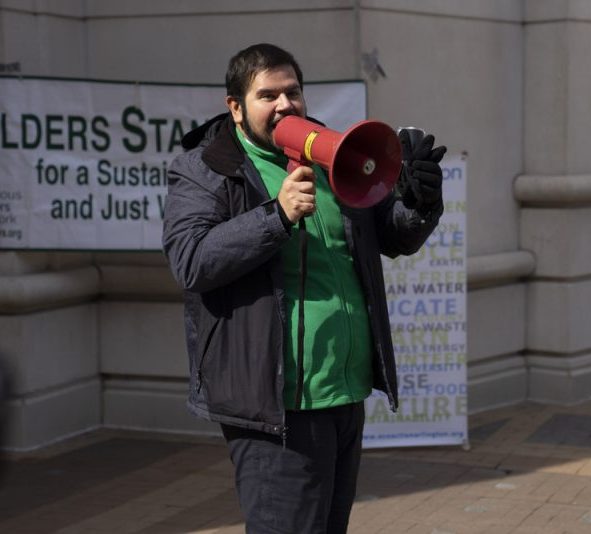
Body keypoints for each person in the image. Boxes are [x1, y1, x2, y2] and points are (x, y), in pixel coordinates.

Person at [162, 43, 446, 533]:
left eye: (292, 92)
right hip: (278, 406)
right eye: (267, 95)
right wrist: (276, 215)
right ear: (235, 108)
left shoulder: (330, 154)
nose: (284, 106)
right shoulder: (206, 170)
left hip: (343, 394)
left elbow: (392, 234)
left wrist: (421, 203)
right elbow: (192, 261)